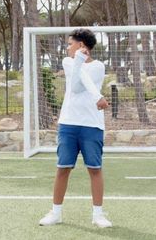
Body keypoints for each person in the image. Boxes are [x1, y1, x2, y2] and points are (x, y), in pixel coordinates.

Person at [39, 28, 112, 228]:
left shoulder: (98, 66)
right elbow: (76, 86)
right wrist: (98, 96)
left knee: (94, 169)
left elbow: (84, 82)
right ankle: (56, 213)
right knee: (62, 169)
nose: (67, 48)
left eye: (70, 44)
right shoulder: (68, 62)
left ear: (81, 45)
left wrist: (97, 95)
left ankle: (98, 215)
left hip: (92, 125)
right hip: (68, 124)